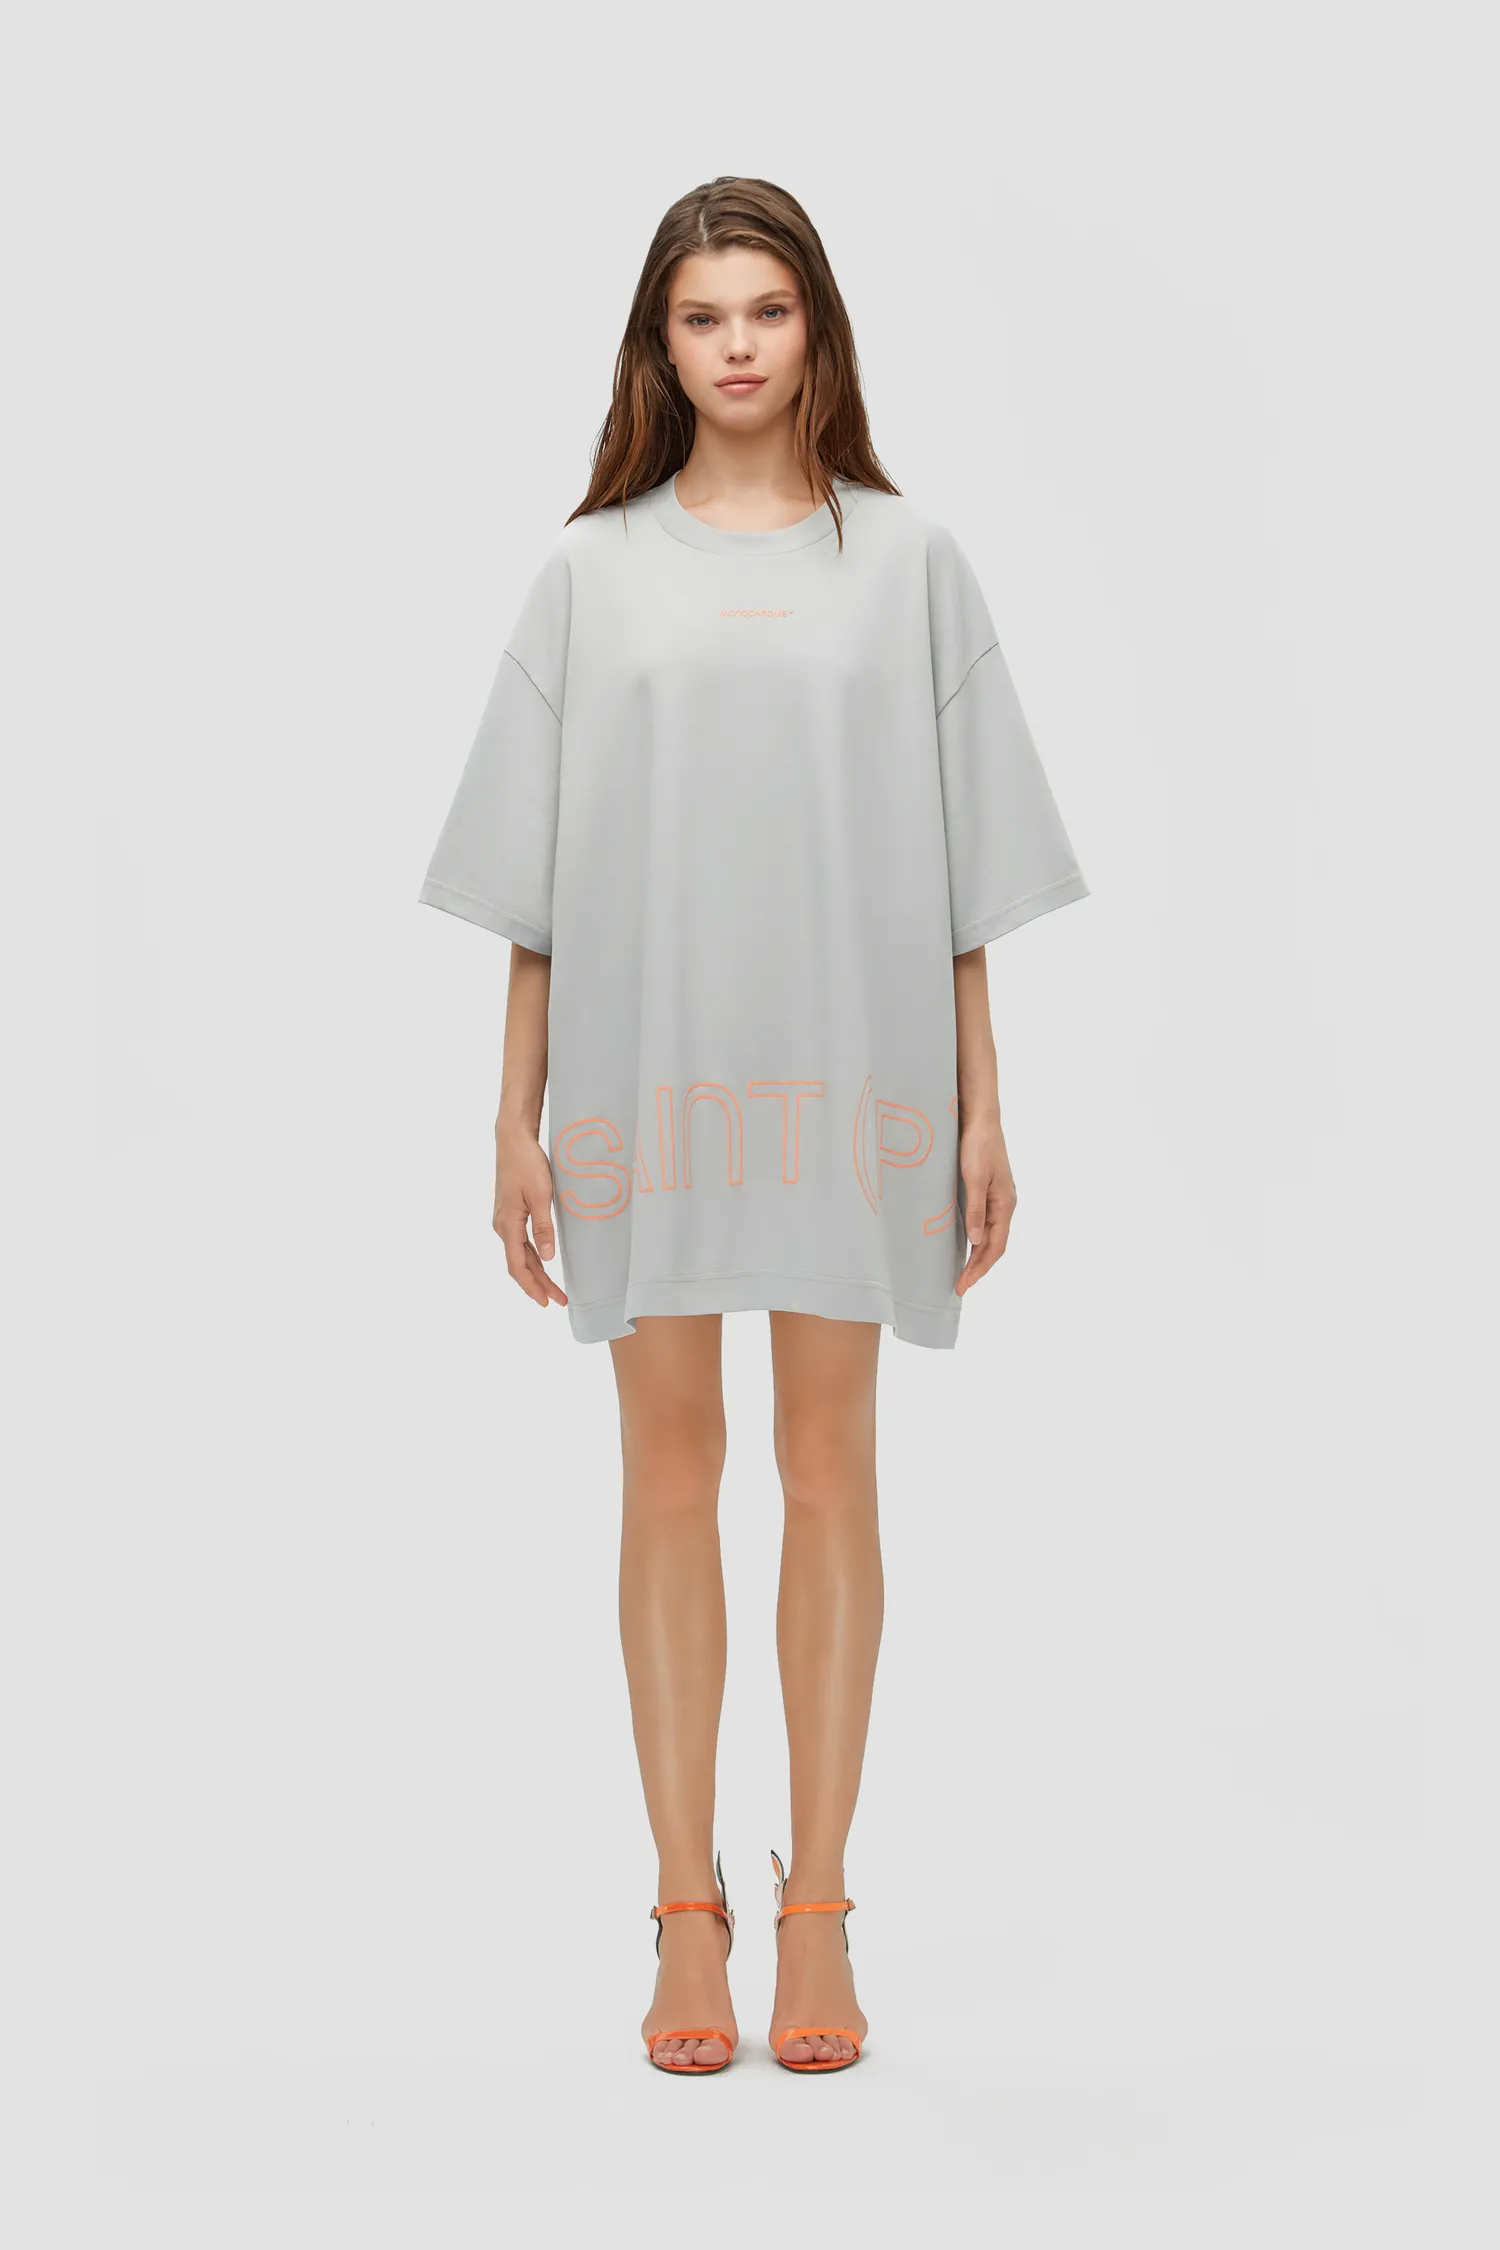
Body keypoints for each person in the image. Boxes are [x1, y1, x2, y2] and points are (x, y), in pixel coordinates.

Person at [418, 176, 1089, 2074]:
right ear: (660, 342)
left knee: (829, 1466)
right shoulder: (589, 572)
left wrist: (983, 1101)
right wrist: (512, 1112)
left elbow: (960, 870)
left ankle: (821, 1905)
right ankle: (682, 1905)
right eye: (703, 315)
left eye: (767, 311)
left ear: (818, 332)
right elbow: (538, 882)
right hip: (644, 1077)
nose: (736, 345)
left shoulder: (910, 562)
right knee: (666, 1467)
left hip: (854, 1073)